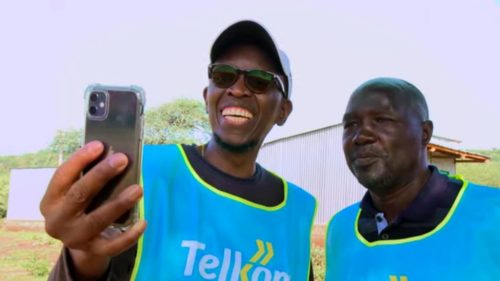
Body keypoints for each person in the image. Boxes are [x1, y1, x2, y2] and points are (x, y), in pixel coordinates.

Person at [41, 20, 317, 281]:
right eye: (223, 76)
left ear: (283, 110)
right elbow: (94, 259)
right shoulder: (142, 172)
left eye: (259, 80)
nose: (237, 89)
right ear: (207, 96)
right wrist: (83, 254)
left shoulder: (298, 210)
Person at [325, 77, 500, 280]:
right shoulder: (341, 229)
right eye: (351, 124)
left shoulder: (492, 214)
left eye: (381, 120)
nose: (361, 136)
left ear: (424, 133)